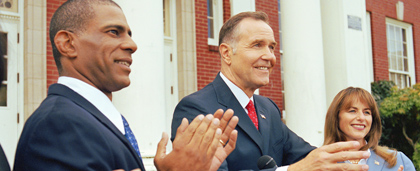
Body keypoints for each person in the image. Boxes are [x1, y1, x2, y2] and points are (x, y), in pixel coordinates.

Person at [13, 0, 238, 170]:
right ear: (68, 44)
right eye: (114, 32)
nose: (132, 44)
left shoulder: (94, 117)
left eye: (129, 34)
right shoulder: (57, 126)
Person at [171, 11, 370, 171]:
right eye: (257, 45)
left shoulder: (268, 108)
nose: (270, 56)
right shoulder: (196, 108)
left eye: (272, 47)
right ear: (226, 53)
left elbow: (309, 157)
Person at [324, 87, 415, 171]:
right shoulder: (321, 163)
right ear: (336, 117)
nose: (361, 118)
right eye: (352, 111)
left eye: (366, 112)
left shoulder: (397, 160)